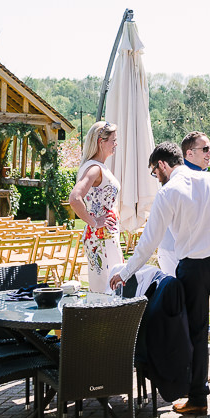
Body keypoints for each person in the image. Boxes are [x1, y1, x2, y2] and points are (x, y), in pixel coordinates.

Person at [111, 134, 210, 415]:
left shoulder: (168, 193)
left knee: (196, 332)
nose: (155, 177)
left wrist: (125, 273)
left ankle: (199, 398)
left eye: (153, 171)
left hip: (194, 268)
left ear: (162, 164)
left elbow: (149, 240)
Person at [69, 120, 124, 293]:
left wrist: (113, 211)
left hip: (106, 235)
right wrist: (94, 221)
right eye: (113, 140)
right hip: (100, 238)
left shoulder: (99, 167)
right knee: (105, 290)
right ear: (101, 142)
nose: (116, 144)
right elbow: (75, 198)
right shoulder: (94, 168)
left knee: (112, 287)